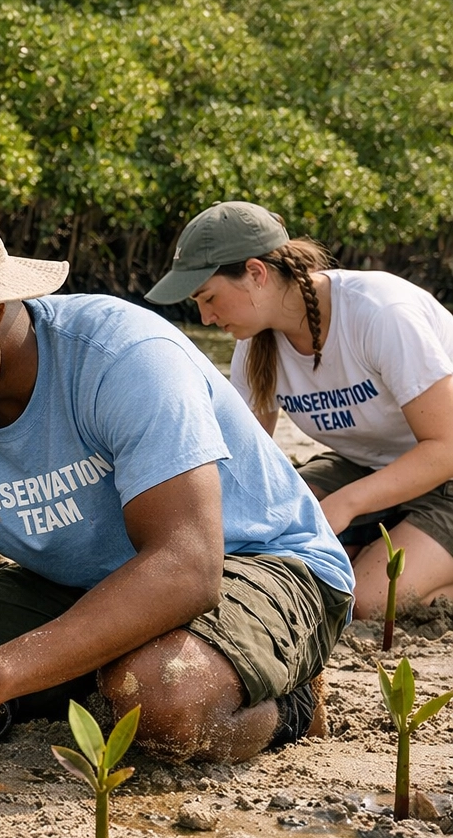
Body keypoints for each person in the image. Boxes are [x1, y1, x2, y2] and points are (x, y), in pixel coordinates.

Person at [0, 195, 354, 789]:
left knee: (156, 700)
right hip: (82, 581)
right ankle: (89, 666)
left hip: (251, 562)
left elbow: (187, 568)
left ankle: (293, 704)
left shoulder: (123, 359)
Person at [147, 201, 453, 619]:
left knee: (364, 601)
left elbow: (446, 447)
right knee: (278, 553)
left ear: (256, 273)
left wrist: (345, 505)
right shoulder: (253, 344)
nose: (205, 316)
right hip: (366, 465)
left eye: (209, 297)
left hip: (445, 471)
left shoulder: (381, 313)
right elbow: (242, 463)